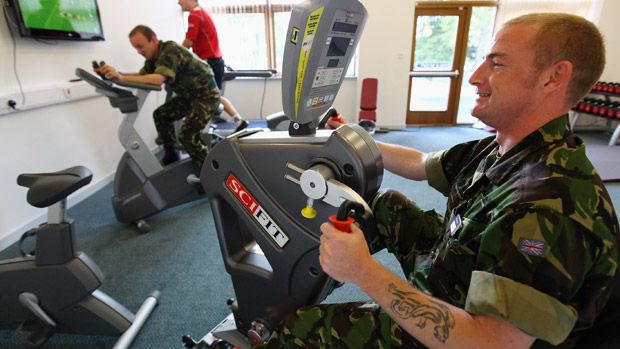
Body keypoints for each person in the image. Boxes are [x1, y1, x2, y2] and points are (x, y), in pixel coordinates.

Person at [256, 13, 620, 349]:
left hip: (466, 333)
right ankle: (316, 273)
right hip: (458, 272)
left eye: (497, 63)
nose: (476, 76)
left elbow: (490, 342)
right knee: (384, 205)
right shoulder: (505, 145)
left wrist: (364, 272)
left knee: (298, 329)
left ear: (553, 77)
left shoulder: (548, 205)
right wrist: (347, 135)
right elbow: (418, 163)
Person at [95, 25, 220, 168]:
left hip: (206, 96)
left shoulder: (170, 50)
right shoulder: (153, 57)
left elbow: (157, 79)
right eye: (136, 48)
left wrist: (120, 78)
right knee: (161, 115)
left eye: (140, 46)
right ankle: (171, 154)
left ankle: (209, 172)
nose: (139, 51)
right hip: (189, 96)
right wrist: (115, 75)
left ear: (153, 40)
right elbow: (142, 76)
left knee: (187, 136)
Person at [178, 0, 248, 132]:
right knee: (212, 96)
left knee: (210, 96)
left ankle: (237, 120)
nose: (179, 2)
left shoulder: (195, 14)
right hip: (214, 60)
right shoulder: (202, 12)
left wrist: (173, 56)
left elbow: (188, 42)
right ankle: (233, 119)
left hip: (208, 61)